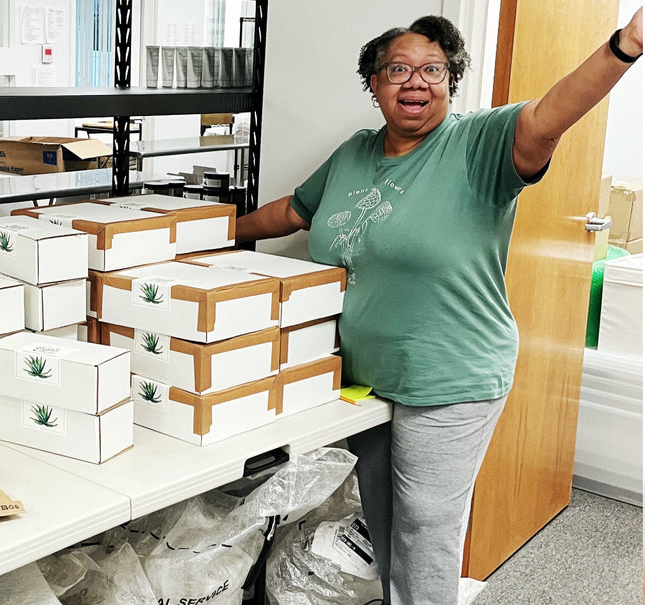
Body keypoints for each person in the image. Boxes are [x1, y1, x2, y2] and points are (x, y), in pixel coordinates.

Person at [236, 10, 642, 605]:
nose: (416, 82)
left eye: (433, 69)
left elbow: (553, 113)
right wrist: (209, 234)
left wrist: (625, 46)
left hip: (452, 373)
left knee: (426, 526)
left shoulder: (481, 145)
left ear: (452, 81)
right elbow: (294, 212)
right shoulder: (354, 153)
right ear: (373, 85)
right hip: (365, 378)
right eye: (397, 69)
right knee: (380, 516)